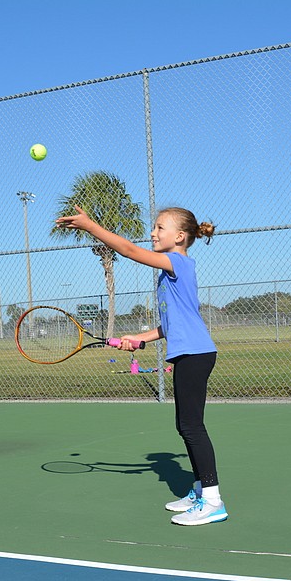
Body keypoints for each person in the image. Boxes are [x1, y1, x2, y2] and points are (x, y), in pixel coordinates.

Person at [56, 205, 227, 526]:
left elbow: (130, 250)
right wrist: (140, 338)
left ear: (179, 237)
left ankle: (214, 501)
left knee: (192, 427)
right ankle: (200, 490)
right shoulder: (168, 274)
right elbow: (169, 326)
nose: (153, 233)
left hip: (195, 354)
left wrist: (90, 225)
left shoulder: (177, 262)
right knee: (184, 426)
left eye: (160, 228)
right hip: (189, 352)